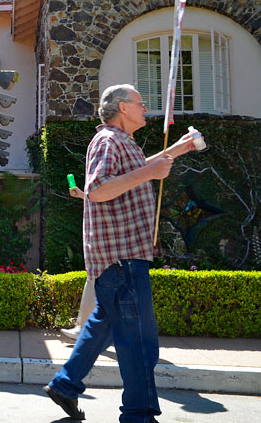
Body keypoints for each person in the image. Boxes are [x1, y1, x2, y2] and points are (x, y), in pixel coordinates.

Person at [44, 84, 196, 423]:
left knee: (104, 324)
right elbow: (97, 190)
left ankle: (65, 385)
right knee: (139, 341)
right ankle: (139, 415)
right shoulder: (108, 141)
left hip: (120, 257)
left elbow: (138, 171)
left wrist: (177, 150)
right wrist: (150, 171)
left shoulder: (119, 142)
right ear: (123, 107)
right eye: (141, 104)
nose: (146, 110)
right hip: (121, 256)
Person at [60, 186, 96, 342]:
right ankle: (83, 329)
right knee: (93, 280)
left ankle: (83, 329)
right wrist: (83, 195)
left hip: (108, 244)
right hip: (107, 244)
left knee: (93, 280)